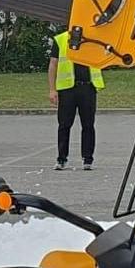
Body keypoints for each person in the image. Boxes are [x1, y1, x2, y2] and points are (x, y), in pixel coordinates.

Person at [48, 29, 103, 170]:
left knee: (88, 125)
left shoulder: (92, 37)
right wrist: (52, 89)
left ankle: (88, 159)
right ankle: (61, 159)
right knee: (64, 125)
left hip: (88, 88)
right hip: (67, 89)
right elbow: (53, 64)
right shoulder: (61, 39)